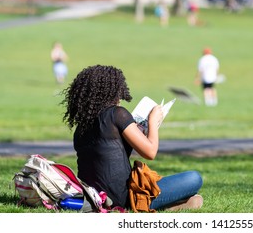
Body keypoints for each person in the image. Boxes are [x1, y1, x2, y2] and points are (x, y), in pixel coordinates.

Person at [61, 65, 203, 211]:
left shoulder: (81, 128)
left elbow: (110, 156)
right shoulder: (118, 114)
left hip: (94, 198)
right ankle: (150, 204)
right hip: (122, 199)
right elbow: (150, 152)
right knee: (194, 178)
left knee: (176, 188)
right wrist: (153, 121)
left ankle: (173, 205)